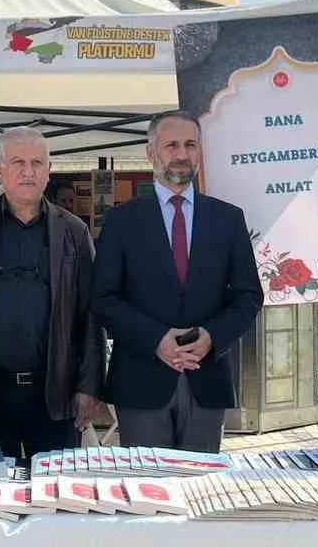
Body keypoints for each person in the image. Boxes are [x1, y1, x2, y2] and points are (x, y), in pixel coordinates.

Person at [91, 110, 263, 453]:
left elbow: (248, 296)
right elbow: (103, 299)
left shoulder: (228, 219)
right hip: (141, 381)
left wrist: (212, 337)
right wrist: (157, 339)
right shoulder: (122, 221)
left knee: (201, 493)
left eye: (190, 145)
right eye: (171, 145)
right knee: (148, 493)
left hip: (206, 379)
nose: (181, 154)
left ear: (199, 152)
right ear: (151, 153)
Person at [0, 128, 107, 464]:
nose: (28, 171)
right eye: (18, 162)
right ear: (0, 170)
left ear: (48, 171)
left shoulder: (74, 232)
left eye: (36, 163)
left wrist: (89, 387)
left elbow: (92, 314)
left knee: (55, 500)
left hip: (54, 395)